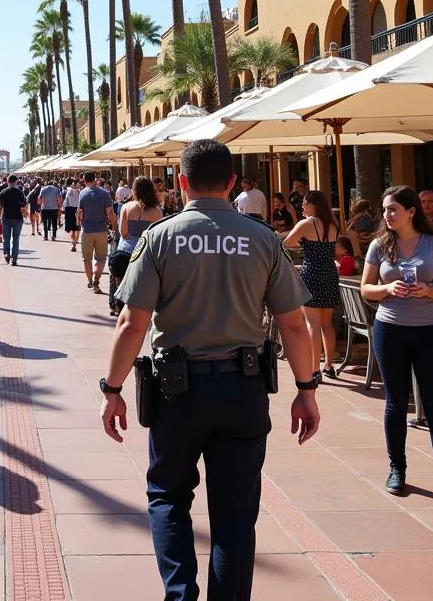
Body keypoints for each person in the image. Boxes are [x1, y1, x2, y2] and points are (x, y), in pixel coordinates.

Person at [102, 139, 319, 601]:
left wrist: (112, 388)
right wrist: (306, 388)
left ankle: (180, 594)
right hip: (243, 390)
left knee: (167, 497)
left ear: (181, 183)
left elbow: (131, 322)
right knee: (236, 515)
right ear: (234, 184)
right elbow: (295, 326)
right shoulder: (263, 238)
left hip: (177, 393)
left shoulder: (159, 237)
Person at [361, 186, 433, 515]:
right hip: (390, 330)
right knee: (396, 402)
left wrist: (428, 289)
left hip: (428, 332)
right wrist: (387, 287)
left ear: (411, 211)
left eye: (393, 209)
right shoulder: (380, 245)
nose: (387, 215)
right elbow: (366, 289)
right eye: (384, 210)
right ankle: (397, 469)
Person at [283, 189, 340, 381]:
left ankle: (315, 369)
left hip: (312, 272)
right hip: (330, 272)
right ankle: (329, 365)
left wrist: (302, 245)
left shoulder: (306, 224)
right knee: (327, 323)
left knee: (312, 324)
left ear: (313, 204)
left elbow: (287, 242)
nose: (302, 206)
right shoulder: (333, 224)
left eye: (305, 203)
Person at [108, 176, 163, 318]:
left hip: (125, 251)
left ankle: (116, 305)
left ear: (134, 190)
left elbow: (123, 233)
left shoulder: (126, 207)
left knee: (116, 278)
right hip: (145, 253)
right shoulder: (157, 212)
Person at [77, 171, 116, 293]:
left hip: (86, 230)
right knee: (101, 258)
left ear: (84, 180)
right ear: (95, 179)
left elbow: (79, 213)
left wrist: (79, 224)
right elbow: (110, 212)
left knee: (87, 259)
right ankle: (96, 280)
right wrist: (114, 227)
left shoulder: (82, 193)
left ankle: (90, 280)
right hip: (101, 231)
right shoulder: (104, 193)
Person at [0, 174, 28, 265]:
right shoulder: (19, 192)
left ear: (7, 181)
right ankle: (14, 259)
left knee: (6, 238)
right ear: (16, 182)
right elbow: (23, 204)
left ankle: (6, 253)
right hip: (18, 217)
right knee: (16, 239)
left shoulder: (3, 191)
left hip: (6, 217)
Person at [63, 179, 81, 252]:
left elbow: (65, 203)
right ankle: (74, 243)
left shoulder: (71, 191)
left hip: (73, 210)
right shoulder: (79, 192)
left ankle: (74, 243)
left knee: (75, 229)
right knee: (76, 229)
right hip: (76, 210)